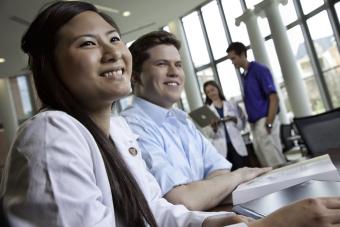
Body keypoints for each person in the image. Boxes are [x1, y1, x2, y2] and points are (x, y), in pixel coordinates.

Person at [1, 2, 340, 227]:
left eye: (115, 39)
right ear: (50, 67)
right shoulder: (52, 132)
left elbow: (157, 210)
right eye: (88, 44)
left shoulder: (117, 131)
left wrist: (210, 223)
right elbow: (175, 197)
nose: (112, 52)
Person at [121, 30, 272, 211]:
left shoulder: (181, 120)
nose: (174, 72)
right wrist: (238, 176)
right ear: (135, 76)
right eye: (161, 64)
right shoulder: (130, 128)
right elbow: (182, 201)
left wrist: (203, 193)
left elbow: (220, 171)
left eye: (178, 65)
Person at [226, 42, 286, 167]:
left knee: (274, 159)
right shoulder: (245, 76)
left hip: (265, 120)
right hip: (255, 124)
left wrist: (269, 122)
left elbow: (274, 98)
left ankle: (290, 185)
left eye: (233, 58)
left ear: (242, 55)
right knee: (265, 161)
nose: (232, 62)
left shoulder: (259, 70)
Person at [203, 80, 249, 170]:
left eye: (212, 90)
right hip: (221, 149)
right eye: (208, 92)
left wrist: (234, 119)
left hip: (237, 145)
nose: (211, 93)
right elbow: (209, 134)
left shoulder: (231, 105)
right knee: (230, 175)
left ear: (218, 89)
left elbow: (241, 127)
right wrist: (214, 127)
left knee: (242, 171)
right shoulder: (207, 111)